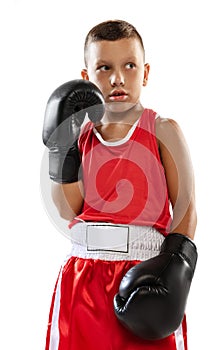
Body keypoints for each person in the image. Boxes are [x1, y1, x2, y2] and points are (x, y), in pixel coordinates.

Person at [43, 20, 197, 350]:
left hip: (145, 274)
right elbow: (68, 208)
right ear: (86, 78)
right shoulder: (80, 138)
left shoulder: (162, 130)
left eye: (129, 65)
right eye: (104, 67)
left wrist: (175, 272)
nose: (117, 78)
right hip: (83, 276)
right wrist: (63, 149)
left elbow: (186, 206)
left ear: (145, 72)